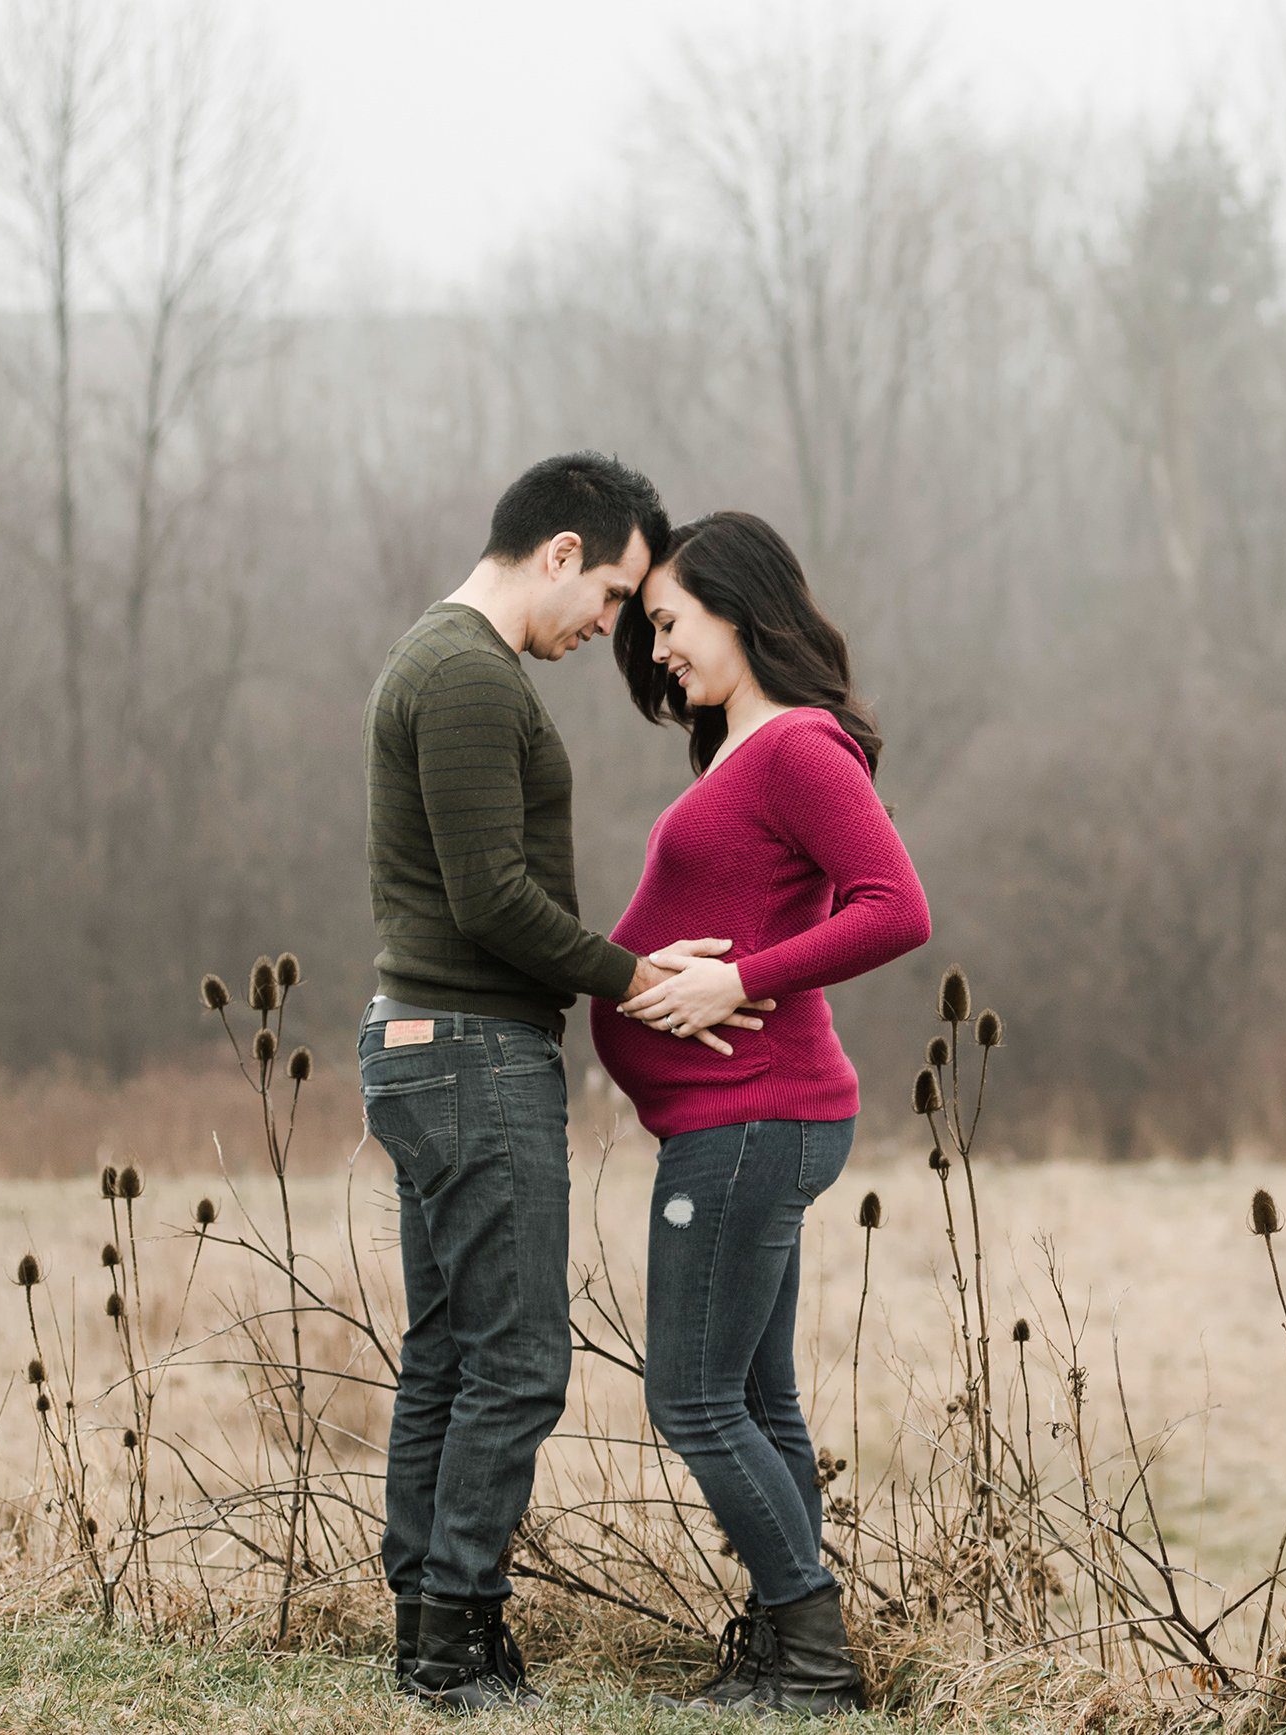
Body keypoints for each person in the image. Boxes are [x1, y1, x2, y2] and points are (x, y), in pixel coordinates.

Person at [358, 453, 759, 1708]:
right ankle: (455, 1643)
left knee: (450, 1353)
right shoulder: (470, 675)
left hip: (429, 1046)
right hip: (472, 1052)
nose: (613, 630)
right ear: (560, 552)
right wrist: (635, 976)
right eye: (612, 597)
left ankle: (431, 1626)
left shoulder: (440, 658)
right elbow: (492, 900)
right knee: (520, 1361)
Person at [594, 510, 930, 1715]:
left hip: (749, 1117)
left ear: (740, 608)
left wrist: (741, 978)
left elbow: (897, 908)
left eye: (671, 623)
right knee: (755, 1397)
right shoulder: (745, 752)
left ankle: (812, 1653)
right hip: (737, 1118)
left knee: (688, 1397)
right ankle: (794, 1655)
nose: (660, 650)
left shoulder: (795, 748)